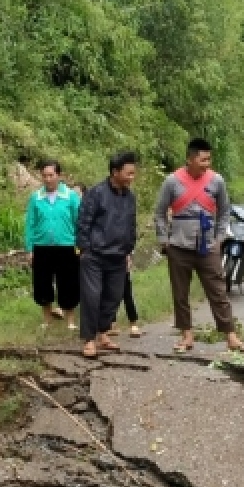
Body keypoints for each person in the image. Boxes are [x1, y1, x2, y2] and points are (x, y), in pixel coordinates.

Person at [155, 138, 244, 354]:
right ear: (190, 159)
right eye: (203, 159)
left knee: (218, 290)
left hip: (207, 246)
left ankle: (231, 336)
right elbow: (160, 212)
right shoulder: (172, 181)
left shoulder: (217, 181)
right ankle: (186, 335)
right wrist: (164, 240)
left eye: (209, 159)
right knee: (180, 293)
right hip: (179, 245)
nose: (207, 163)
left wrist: (219, 238)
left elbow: (225, 211)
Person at [76, 151, 140, 358]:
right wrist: (84, 249)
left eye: (133, 173)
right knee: (92, 297)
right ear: (115, 172)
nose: (132, 177)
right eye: (128, 173)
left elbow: (131, 225)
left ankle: (103, 333)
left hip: (118, 257)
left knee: (113, 297)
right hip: (94, 255)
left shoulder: (130, 197)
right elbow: (83, 222)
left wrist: (128, 251)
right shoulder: (96, 193)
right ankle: (89, 340)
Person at [24, 160, 81, 331]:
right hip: (42, 247)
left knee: (68, 283)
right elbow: (30, 225)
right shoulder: (36, 198)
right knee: (42, 283)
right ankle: (47, 319)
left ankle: (70, 320)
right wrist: (29, 248)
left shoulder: (71, 196)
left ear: (59, 175)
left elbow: (79, 222)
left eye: (51, 175)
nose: (48, 179)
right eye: (44, 175)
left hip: (67, 246)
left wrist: (80, 246)